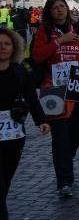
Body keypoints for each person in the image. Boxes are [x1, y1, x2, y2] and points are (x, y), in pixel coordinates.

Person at [31, 0, 79, 198]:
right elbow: (37, 56)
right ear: (49, 11)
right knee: (60, 136)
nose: (59, 10)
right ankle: (64, 180)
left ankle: (66, 160)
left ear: (67, 9)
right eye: (54, 8)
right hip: (54, 89)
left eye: (62, 6)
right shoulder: (44, 31)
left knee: (78, 130)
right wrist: (59, 42)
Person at [0, 27, 50, 218]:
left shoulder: (19, 71)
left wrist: (41, 120)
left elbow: (31, 97)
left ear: (14, 48)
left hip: (13, 136)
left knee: (6, 182)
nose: (3, 47)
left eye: (7, 44)